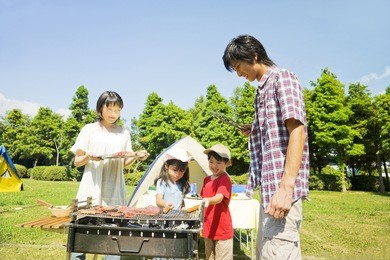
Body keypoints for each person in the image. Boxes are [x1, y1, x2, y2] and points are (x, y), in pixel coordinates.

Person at [223, 34, 310, 260]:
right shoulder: (261, 90)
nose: (239, 73)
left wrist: (286, 189)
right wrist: (256, 129)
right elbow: (276, 131)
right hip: (270, 191)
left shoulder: (283, 78)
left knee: (278, 252)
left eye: (238, 66)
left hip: (282, 191)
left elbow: (297, 131)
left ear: (253, 56)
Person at [70, 90, 149, 260]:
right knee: (81, 234)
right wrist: (89, 156)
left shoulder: (124, 133)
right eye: (110, 109)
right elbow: (78, 161)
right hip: (92, 187)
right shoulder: (89, 130)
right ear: (100, 109)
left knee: (113, 236)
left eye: (118, 110)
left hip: (114, 189)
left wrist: (135, 156)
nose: (114, 114)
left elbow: (124, 162)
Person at [200, 144, 233, 260]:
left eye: (218, 162)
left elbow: (219, 197)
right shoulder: (206, 180)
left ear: (227, 163)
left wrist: (208, 200)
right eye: (211, 161)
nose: (214, 166)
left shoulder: (224, 179)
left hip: (222, 229)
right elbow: (202, 198)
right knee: (209, 257)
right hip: (208, 227)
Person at [154, 148, 192, 213]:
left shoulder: (183, 184)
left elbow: (181, 202)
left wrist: (184, 209)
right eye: (174, 170)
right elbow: (158, 200)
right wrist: (164, 204)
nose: (177, 174)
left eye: (182, 171)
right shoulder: (162, 182)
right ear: (166, 166)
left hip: (178, 218)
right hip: (164, 217)